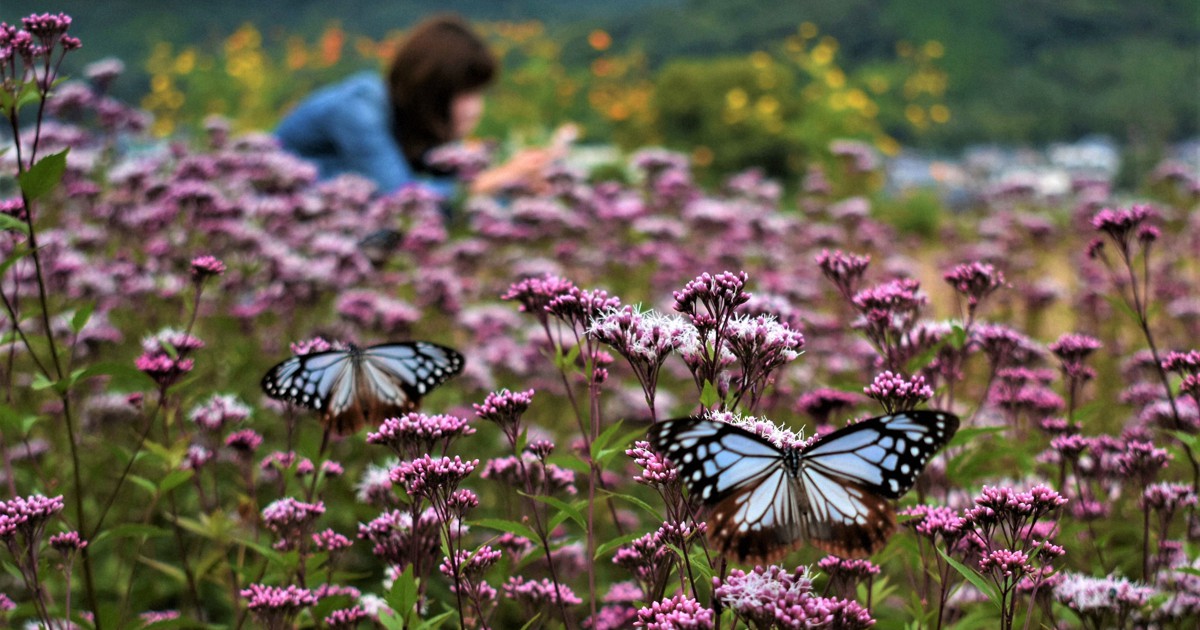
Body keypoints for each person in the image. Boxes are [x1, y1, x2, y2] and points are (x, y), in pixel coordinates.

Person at [275, 14, 562, 199]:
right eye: (466, 93)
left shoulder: (415, 125)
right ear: (433, 88)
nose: (475, 108)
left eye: (479, 94)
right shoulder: (358, 110)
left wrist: (516, 186)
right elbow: (403, 201)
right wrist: (492, 182)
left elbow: (459, 201)